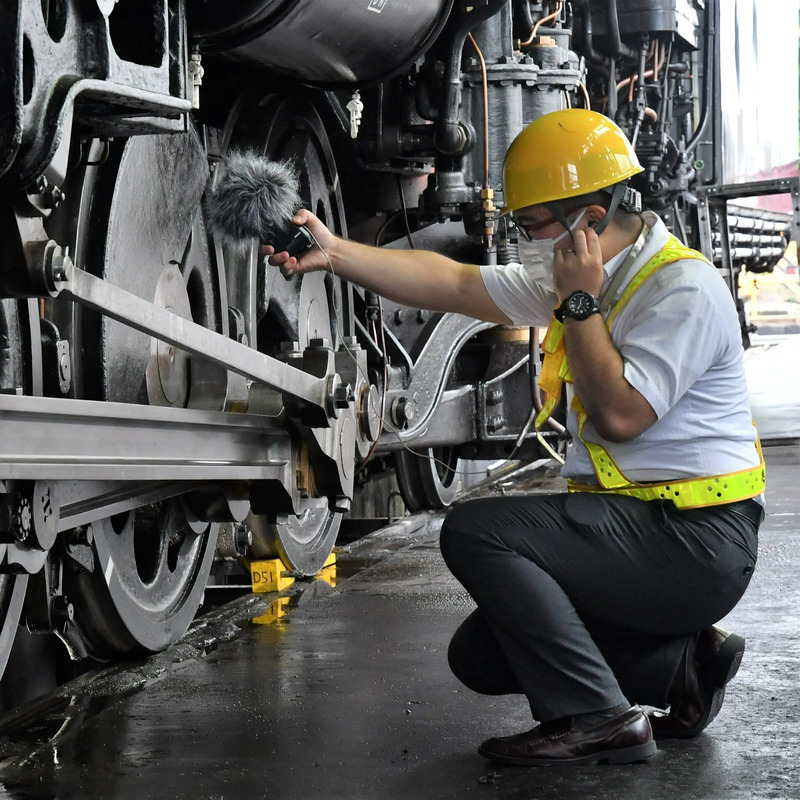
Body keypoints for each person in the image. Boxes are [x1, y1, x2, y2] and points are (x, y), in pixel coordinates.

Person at [265, 108, 765, 767]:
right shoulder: (590, 272)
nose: (527, 241)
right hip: (648, 529)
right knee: (481, 652)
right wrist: (338, 255)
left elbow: (621, 415)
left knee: (476, 532)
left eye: (532, 226)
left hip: (698, 541)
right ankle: (683, 667)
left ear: (588, 216)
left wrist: (578, 302)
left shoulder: (682, 289)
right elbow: (456, 282)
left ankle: (601, 719)